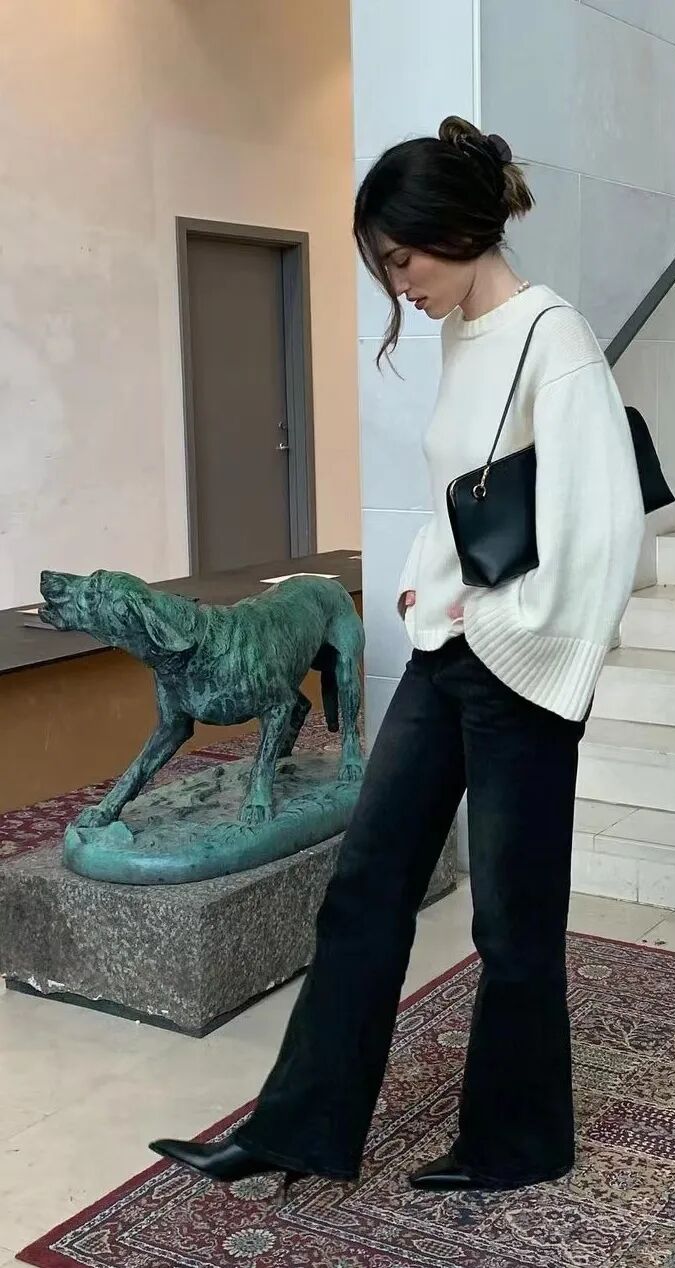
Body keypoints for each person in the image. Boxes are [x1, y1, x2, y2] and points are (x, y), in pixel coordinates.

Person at [150, 115, 645, 1196]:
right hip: (449, 652)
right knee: (366, 883)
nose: (398, 284)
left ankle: (519, 1141)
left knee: (512, 918)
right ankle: (299, 1128)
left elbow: (603, 524)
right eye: (385, 265)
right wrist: (429, 583)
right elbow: (456, 494)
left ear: (460, 229)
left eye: (403, 258)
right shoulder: (465, 333)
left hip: (521, 667)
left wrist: (510, 627)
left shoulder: (553, 337)